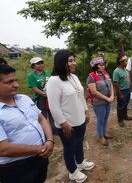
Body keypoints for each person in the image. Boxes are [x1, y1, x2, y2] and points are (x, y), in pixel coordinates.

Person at [47, 50, 95, 183]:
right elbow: (54, 106)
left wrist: (86, 111)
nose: (74, 63)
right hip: (67, 124)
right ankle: (72, 171)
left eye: (74, 60)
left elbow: (80, 96)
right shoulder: (54, 81)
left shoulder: (73, 77)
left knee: (79, 143)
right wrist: (63, 124)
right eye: (70, 61)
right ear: (61, 63)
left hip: (80, 120)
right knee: (69, 148)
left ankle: (80, 162)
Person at [0, 64, 54, 183]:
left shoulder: (24, 99)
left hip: (40, 158)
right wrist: (40, 149)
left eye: (16, 80)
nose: (16, 85)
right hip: (16, 168)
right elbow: (3, 149)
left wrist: (50, 140)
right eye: (9, 82)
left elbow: (41, 119)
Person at [87, 55, 114, 146]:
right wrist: (107, 98)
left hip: (107, 102)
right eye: (101, 65)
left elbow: (111, 85)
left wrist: (112, 96)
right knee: (100, 119)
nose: (103, 66)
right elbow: (94, 92)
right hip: (99, 103)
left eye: (104, 65)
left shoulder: (105, 73)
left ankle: (105, 132)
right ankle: (100, 136)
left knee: (106, 118)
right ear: (96, 66)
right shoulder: (91, 76)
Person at [26, 57, 56, 134]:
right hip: (41, 99)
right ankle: (45, 132)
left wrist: (51, 94)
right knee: (43, 115)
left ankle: (54, 130)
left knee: (52, 113)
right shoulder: (31, 76)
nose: (41, 65)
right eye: (38, 63)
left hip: (50, 97)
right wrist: (44, 94)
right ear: (33, 66)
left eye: (41, 63)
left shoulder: (47, 73)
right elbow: (35, 89)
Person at [113, 50, 132, 127]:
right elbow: (116, 84)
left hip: (127, 90)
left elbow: (127, 78)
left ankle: (125, 116)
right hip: (122, 91)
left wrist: (130, 85)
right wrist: (120, 94)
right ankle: (120, 120)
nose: (127, 63)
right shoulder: (116, 71)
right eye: (125, 62)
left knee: (125, 104)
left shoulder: (125, 70)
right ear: (121, 62)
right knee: (120, 106)